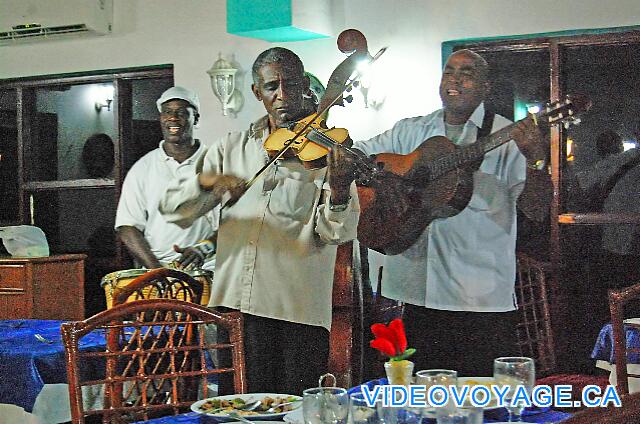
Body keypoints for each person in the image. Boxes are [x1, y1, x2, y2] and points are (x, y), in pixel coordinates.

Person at [159, 47, 359, 394]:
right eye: (271, 87)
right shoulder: (231, 147)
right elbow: (175, 207)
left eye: (290, 84)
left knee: (294, 412)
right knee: (236, 410)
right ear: (257, 92)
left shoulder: (327, 152)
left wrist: (340, 191)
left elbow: (337, 232)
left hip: (295, 311)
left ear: (304, 88)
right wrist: (210, 184)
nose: (282, 95)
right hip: (233, 307)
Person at [351, 49, 551, 376]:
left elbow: (537, 208)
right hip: (411, 295)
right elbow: (360, 157)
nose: (455, 79)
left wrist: (535, 160)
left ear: (486, 87)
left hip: (478, 301)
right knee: (417, 404)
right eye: (449, 71)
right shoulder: (410, 130)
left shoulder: (508, 135)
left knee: (483, 403)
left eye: (467, 73)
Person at [115, 86, 217, 272]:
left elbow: (234, 223)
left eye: (181, 112)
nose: (173, 118)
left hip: (209, 270)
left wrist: (203, 248)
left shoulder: (217, 163)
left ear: (196, 119)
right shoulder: (142, 169)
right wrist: (157, 271)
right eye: (167, 112)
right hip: (158, 273)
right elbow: (127, 227)